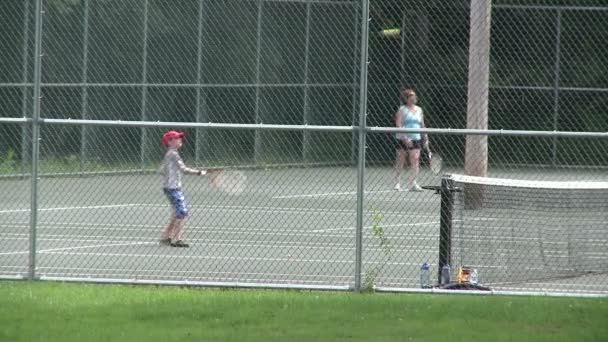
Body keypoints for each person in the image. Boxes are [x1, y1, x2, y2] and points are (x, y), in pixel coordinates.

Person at [159, 130, 217, 248]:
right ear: (170, 142)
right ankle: (177, 239)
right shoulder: (173, 154)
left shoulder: (170, 154)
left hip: (170, 187)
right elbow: (184, 169)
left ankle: (166, 236)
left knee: (176, 212)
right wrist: (201, 172)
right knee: (182, 213)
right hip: (173, 188)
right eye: (177, 138)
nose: (180, 140)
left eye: (180, 138)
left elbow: (161, 170)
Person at [393, 88, 428, 192]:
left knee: (415, 160)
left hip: (416, 138)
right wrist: (405, 138)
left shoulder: (419, 110)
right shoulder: (402, 109)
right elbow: (398, 124)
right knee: (400, 160)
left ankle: (413, 183)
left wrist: (425, 137)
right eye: (412, 96)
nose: (414, 97)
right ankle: (397, 183)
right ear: (407, 98)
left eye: (415, 96)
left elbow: (422, 125)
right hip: (402, 138)